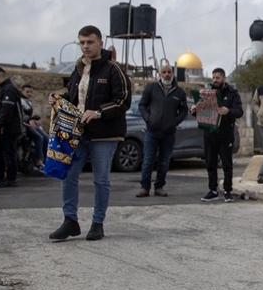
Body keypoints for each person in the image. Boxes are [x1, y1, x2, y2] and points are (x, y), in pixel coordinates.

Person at [48, 25, 131, 242]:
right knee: (68, 174)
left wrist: (99, 112)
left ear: (100, 43)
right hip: (78, 133)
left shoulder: (114, 69)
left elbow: (123, 101)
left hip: (105, 134)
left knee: (101, 179)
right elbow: (75, 98)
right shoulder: (78, 69)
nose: (85, 46)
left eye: (90, 42)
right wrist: (60, 99)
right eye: (82, 42)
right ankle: (70, 221)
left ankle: (97, 223)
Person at [136, 64, 188, 197]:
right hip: (152, 131)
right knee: (148, 159)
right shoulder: (151, 88)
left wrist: (175, 121)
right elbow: (142, 105)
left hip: (169, 133)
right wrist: (149, 118)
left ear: (173, 74)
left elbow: (183, 110)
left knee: (164, 161)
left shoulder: (179, 92)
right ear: (159, 74)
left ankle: (159, 187)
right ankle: (144, 187)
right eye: (164, 72)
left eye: (169, 72)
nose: (166, 75)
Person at [192, 68, 244, 202]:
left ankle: (227, 191)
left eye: (218, 78)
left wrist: (228, 111)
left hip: (225, 134)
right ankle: (213, 190)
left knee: (227, 164)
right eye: (213, 78)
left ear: (224, 78)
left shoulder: (232, 94)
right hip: (209, 134)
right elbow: (202, 110)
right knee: (210, 163)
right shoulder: (207, 93)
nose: (215, 80)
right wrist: (194, 110)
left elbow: (239, 111)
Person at [0, 66, 23, 187]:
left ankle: (11, 178)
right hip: (4, 128)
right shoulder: (5, 89)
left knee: (8, 153)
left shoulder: (9, 89)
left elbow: (7, 111)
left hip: (9, 128)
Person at [20, 84, 48, 169]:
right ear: (22, 91)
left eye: (31, 92)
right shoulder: (20, 101)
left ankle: (46, 160)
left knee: (46, 137)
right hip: (23, 125)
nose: (29, 94)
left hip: (29, 123)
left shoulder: (28, 101)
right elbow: (22, 115)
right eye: (27, 92)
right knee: (39, 137)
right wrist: (29, 120)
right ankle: (39, 160)